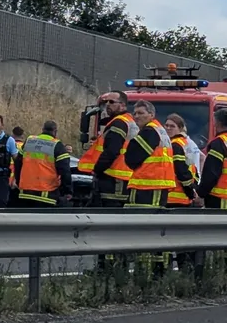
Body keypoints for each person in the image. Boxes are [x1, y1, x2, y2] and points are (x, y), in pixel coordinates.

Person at [122, 100, 181, 275]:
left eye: (141, 113)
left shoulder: (149, 132)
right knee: (156, 231)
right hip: (157, 186)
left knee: (145, 231)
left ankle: (146, 273)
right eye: (135, 113)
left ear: (151, 115)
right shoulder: (160, 131)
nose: (136, 116)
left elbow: (132, 158)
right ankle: (158, 271)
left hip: (148, 186)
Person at [78, 91, 139, 207]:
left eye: (112, 102)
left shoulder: (119, 123)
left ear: (123, 105)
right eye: (106, 102)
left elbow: (111, 151)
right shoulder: (127, 121)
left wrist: (97, 170)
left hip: (113, 180)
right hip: (120, 178)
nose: (108, 105)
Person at [15, 120, 73, 207]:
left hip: (25, 192)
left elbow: (18, 164)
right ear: (55, 131)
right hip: (46, 195)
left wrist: (19, 182)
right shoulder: (57, 145)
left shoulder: (29, 141)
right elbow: (65, 171)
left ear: (42, 129)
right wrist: (67, 191)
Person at [163, 114, 201, 207]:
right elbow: (194, 169)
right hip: (184, 197)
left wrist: (190, 190)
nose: (168, 128)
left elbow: (180, 171)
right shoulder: (186, 143)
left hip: (173, 196)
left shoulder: (175, 145)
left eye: (172, 126)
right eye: (166, 125)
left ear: (180, 128)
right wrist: (193, 188)